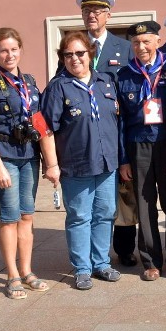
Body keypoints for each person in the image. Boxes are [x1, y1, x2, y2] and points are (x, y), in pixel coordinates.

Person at [0, 28, 57, 299]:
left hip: (29, 157)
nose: (9, 55)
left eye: (13, 49)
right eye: (3, 50)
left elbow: (40, 123)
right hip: (6, 158)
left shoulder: (30, 82)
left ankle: (27, 271)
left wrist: (50, 162)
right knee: (9, 218)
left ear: (20, 50)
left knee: (27, 216)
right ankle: (12, 275)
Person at [41, 31, 121, 290]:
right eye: (68, 55)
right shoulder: (57, 87)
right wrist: (51, 164)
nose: (75, 59)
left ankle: (101, 263)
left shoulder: (106, 82)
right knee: (79, 216)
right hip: (76, 165)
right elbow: (46, 129)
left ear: (91, 54)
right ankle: (82, 268)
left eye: (80, 53)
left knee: (105, 213)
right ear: (62, 58)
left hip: (107, 163)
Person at [117, 20, 166, 282]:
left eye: (146, 41)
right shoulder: (124, 75)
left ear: (158, 41)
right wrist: (124, 159)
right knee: (145, 204)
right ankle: (150, 261)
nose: (141, 47)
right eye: (136, 43)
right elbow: (121, 122)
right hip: (138, 145)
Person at [75, 0, 139, 268]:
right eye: (87, 11)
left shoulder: (124, 47)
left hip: (117, 128)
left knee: (124, 195)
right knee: (89, 196)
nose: (92, 15)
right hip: (86, 133)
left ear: (108, 15)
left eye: (98, 11)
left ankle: (124, 249)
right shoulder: (75, 45)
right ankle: (90, 252)